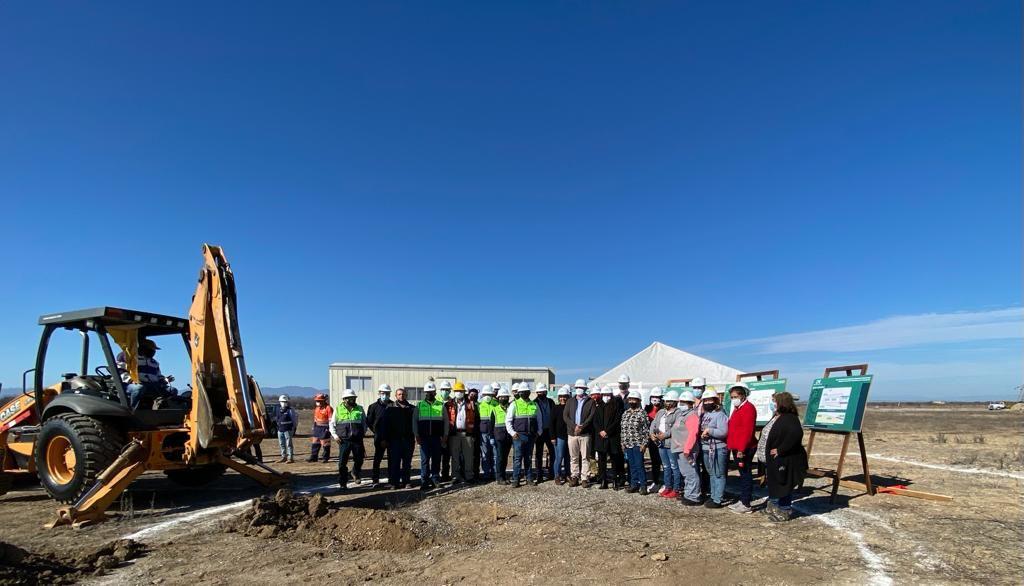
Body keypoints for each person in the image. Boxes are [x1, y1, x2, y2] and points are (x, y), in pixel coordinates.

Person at [757, 392, 807, 522]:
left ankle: (784, 510)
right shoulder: (777, 416)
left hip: (785, 459)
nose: (772, 404)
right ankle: (772, 506)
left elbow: (796, 435)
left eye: (774, 401)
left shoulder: (790, 418)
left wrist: (781, 449)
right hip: (772, 459)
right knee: (774, 482)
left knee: (784, 484)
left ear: (782, 403)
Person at [726, 383, 757, 514]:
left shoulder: (748, 408)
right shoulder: (738, 408)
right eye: (732, 397)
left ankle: (746, 503)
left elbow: (747, 431)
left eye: (736, 396)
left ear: (743, 396)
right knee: (742, 474)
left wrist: (741, 449)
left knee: (746, 474)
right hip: (736, 446)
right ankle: (743, 499)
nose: (733, 399)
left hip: (744, 448)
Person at [669, 390, 702, 505]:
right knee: (686, 473)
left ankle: (693, 496)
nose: (681, 404)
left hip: (687, 449)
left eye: (685, 402)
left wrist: (687, 450)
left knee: (690, 473)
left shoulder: (692, 416)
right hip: (680, 448)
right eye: (681, 402)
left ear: (691, 403)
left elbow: (693, 433)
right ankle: (689, 493)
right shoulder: (682, 415)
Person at [116, 339, 170, 410]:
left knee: (171, 390)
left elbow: (158, 375)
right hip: (129, 385)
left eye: (154, 350)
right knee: (139, 388)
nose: (153, 351)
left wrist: (164, 379)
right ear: (143, 348)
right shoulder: (128, 357)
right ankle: (131, 410)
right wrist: (131, 380)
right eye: (151, 349)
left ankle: (161, 410)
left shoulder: (154, 362)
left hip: (150, 385)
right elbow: (120, 371)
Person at [330, 389, 366, 491]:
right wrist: (335, 436)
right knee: (342, 462)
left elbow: (364, 422)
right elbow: (332, 424)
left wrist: (362, 433)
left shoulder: (360, 409)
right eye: (351, 398)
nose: (353, 399)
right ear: (345, 399)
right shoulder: (338, 409)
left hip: (357, 439)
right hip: (343, 440)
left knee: (359, 459)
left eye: (354, 398)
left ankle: (355, 472)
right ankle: (343, 482)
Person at [379, 387, 414, 489]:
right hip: (394, 440)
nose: (401, 396)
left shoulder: (412, 408)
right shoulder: (390, 408)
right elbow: (384, 425)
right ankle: (394, 482)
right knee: (394, 462)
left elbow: (415, 425)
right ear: (395, 396)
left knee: (407, 463)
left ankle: (406, 481)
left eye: (403, 394)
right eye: (399, 394)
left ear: (406, 395)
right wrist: (384, 439)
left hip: (408, 440)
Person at [443, 381, 477, 485]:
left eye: (461, 391)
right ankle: (455, 476)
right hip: (454, 434)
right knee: (455, 457)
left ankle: (469, 476)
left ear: (464, 392)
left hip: (468, 434)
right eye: (457, 391)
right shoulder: (449, 404)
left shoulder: (470, 403)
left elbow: (476, 419)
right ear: (454, 392)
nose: (459, 392)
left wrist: (473, 434)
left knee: (468, 457)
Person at [699, 387, 729, 508]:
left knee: (719, 474)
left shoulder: (720, 415)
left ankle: (718, 499)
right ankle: (713, 495)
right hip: (706, 448)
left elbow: (723, 432)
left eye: (709, 400)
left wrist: (709, 430)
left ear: (715, 401)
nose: (707, 403)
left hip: (717, 448)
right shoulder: (705, 415)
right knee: (711, 473)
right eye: (705, 401)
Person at [505, 382, 539, 487]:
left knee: (528, 457)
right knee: (517, 458)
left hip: (531, 435)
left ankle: (529, 478)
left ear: (529, 392)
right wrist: (512, 433)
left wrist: (539, 432)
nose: (524, 393)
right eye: (522, 392)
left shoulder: (534, 404)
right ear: (519, 393)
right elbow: (508, 420)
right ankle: (516, 479)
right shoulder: (514, 404)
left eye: (526, 392)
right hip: (518, 436)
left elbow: (539, 419)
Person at [564, 380, 596, 487]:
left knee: (585, 457)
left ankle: (584, 478)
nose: (579, 389)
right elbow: (566, 416)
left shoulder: (590, 401)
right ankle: (575, 476)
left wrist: (582, 427)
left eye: (582, 387)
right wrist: (575, 426)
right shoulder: (570, 401)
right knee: (574, 456)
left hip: (585, 434)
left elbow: (591, 416)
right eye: (578, 387)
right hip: (572, 433)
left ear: (586, 389)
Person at [413, 382, 444, 490]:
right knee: (425, 460)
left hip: (436, 437)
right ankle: (424, 481)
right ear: (425, 393)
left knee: (436, 459)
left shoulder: (440, 405)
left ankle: (435, 479)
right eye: (428, 392)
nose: (429, 394)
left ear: (435, 393)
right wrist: (416, 435)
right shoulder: (420, 405)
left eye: (431, 392)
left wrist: (445, 435)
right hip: (424, 438)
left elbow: (446, 422)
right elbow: (415, 421)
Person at [650, 390, 681, 497]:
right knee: (666, 466)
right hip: (660, 444)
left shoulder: (678, 413)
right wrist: (651, 434)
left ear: (675, 402)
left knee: (674, 466)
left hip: (671, 443)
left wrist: (666, 435)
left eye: (669, 401)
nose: (667, 403)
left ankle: (676, 488)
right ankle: (667, 487)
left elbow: (677, 427)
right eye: (666, 401)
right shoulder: (660, 412)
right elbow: (653, 424)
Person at [594, 385, 624, 490]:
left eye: (608, 395)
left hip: (612, 437)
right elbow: (595, 421)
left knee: (614, 460)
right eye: (604, 395)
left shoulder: (616, 406)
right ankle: (603, 481)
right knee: (601, 461)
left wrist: (607, 431)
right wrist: (600, 431)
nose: (606, 397)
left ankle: (616, 481)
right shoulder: (598, 407)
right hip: (601, 438)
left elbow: (617, 421)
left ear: (611, 395)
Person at [620, 390, 650, 494]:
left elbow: (646, 429)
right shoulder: (626, 413)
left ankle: (643, 485)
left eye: (634, 400)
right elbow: (623, 428)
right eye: (630, 399)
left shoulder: (642, 413)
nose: (632, 401)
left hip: (638, 443)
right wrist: (622, 442)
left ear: (638, 401)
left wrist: (644, 443)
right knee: (631, 465)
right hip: (628, 443)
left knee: (639, 465)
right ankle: (634, 484)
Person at [366, 384, 394, 487]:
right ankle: (375, 480)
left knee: (392, 460)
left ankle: (392, 479)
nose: (385, 395)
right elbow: (369, 421)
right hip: (379, 438)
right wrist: (377, 433)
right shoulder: (373, 407)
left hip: (392, 438)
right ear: (379, 393)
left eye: (387, 393)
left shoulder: (393, 405)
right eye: (383, 393)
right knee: (377, 459)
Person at [533, 382, 556, 483]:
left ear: (546, 392)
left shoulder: (551, 402)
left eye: (543, 392)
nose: (541, 393)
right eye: (539, 392)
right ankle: (539, 475)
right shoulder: (534, 403)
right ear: (537, 393)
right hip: (539, 432)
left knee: (552, 452)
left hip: (549, 431)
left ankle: (552, 473)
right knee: (538, 453)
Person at [492, 386, 513, 484]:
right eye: (501, 397)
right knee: (500, 457)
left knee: (505, 457)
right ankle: (499, 477)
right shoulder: (494, 409)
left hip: (508, 436)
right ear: (498, 398)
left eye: (505, 397)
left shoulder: (511, 408)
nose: (503, 399)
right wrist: (492, 437)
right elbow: (491, 425)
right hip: (499, 437)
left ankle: (503, 475)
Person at [477, 385, 498, 482]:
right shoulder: (479, 404)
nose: (487, 396)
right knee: (485, 454)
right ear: (482, 394)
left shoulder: (496, 404)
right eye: (485, 394)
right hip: (483, 433)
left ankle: (495, 473)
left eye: (489, 394)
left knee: (495, 454)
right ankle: (486, 474)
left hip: (494, 433)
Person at [645, 387, 665, 489]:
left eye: (658, 397)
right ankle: (656, 480)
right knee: (655, 461)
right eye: (654, 397)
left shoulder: (664, 409)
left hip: (663, 438)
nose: (655, 399)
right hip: (651, 439)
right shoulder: (647, 408)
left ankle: (666, 482)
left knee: (665, 461)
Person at [551, 385, 571, 484]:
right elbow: (551, 423)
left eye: (565, 396)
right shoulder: (555, 408)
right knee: (559, 457)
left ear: (568, 397)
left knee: (568, 457)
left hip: (569, 436)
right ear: (558, 397)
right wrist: (553, 437)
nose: (563, 398)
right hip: (559, 437)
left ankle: (568, 474)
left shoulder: (571, 408)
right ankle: (557, 476)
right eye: (561, 396)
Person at [308, 393, 334, 463]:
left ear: (323, 401)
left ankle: (325, 457)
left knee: (325, 444)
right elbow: (315, 418)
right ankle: (314, 457)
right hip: (317, 427)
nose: (318, 402)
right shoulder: (317, 408)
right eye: (317, 401)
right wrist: (314, 426)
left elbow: (331, 419)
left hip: (325, 428)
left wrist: (329, 428)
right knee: (315, 442)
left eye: (319, 401)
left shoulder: (328, 408)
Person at [274, 395, 297, 464]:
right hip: (280, 430)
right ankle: (283, 457)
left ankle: (290, 458)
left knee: (289, 444)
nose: (284, 403)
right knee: (282, 444)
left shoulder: (290, 410)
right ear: (280, 402)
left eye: (285, 402)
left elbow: (294, 420)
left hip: (288, 429)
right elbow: (277, 419)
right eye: (282, 401)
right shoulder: (278, 409)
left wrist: (293, 428)